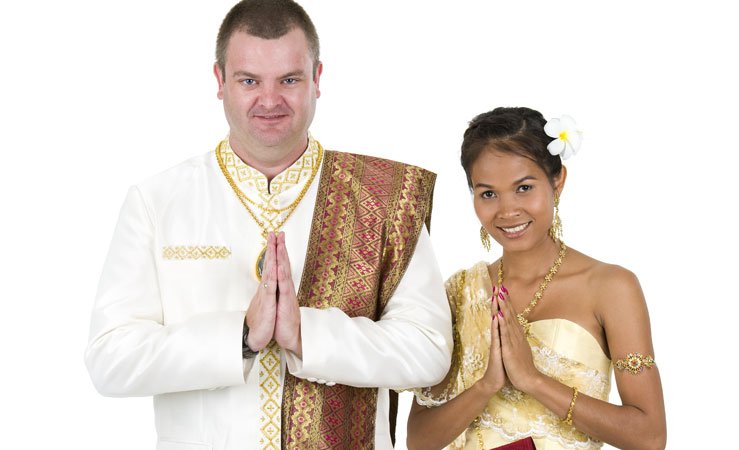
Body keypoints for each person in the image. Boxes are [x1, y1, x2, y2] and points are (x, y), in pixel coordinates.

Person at [84, 1, 452, 449]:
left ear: (317, 79)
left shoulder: (382, 198)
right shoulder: (158, 201)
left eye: (290, 80)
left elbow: (429, 349)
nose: (270, 100)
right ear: (220, 82)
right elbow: (110, 359)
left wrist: (307, 336)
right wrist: (239, 337)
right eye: (249, 81)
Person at [407, 107, 666, 450]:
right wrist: (486, 385)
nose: (507, 210)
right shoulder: (459, 294)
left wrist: (533, 380)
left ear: (557, 181)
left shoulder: (611, 288)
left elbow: (650, 436)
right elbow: (417, 441)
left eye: (524, 188)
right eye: (488, 193)